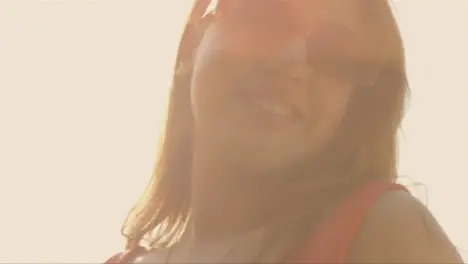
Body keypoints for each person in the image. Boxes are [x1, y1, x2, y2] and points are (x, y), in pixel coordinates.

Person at [106, 0, 463, 263]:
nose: (291, 60)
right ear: (191, 43)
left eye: (335, 52)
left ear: (353, 106)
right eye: (266, 16)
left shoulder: (383, 233)